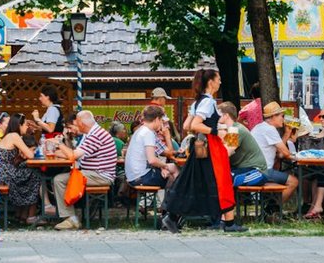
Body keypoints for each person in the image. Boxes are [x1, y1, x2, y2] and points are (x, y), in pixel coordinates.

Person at [162, 69, 246, 233]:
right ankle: (228, 223)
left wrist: (204, 131)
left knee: (191, 184)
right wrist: (215, 130)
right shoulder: (209, 103)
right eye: (218, 79)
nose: (220, 82)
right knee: (222, 182)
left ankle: (172, 216)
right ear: (211, 82)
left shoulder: (198, 102)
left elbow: (187, 126)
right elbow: (194, 125)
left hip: (200, 148)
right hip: (212, 147)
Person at [219, 101, 297, 202]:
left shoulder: (236, 130)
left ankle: (272, 209)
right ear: (273, 116)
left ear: (225, 116)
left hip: (255, 171)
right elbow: (227, 152)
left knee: (224, 179)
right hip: (255, 169)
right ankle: (273, 209)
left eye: (217, 115)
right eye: (282, 116)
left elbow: (226, 152)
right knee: (223, 179)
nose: (283, 118)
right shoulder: (235, 129)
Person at [53, 110, 117, 230]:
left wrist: (58, 144)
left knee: (59, 179)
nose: (76, 125)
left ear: (82, 124)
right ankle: (71, 217)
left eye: (77, 122)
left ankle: (70, 219)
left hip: (100, 176)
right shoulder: (95, 133)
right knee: (61, 178)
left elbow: (73, 156)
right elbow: (75, 154)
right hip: (95, 173)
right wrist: (57, 152)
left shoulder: (95, 135)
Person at [0, 114, 40, 224]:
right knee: (35, 174)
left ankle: (21, 214)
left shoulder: (11, 136)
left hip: (1, 171)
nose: (27, 127)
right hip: (3, 173)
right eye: (26, 125)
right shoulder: (14, 136)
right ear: (19, 125)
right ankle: (30, 215)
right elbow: (30, 155)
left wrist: (30, 133)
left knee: (28, 172)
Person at [125, 105, 179, 189]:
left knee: (171, 169)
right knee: (174, 175)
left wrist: (162, 167)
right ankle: (174, 200)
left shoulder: (140, 130)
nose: (161, 123)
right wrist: (164, 166)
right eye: (161, 120)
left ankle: (171, 199)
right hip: (141, 177)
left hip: (133, 176)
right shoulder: (148, 133)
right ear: (157, 119)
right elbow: (152, 160)